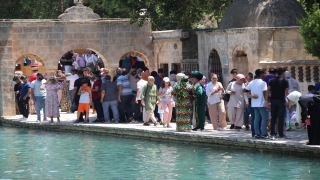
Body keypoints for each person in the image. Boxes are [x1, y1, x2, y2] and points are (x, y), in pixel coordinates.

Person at [266, 68, 290, 139]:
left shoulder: (271, 80)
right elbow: (287, 92)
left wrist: (266, 101)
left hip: (273, 100)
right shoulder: (285, 81)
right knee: (281, 118)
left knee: (273, 117)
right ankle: (280, 133)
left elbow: (267, 91)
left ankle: (272, 133)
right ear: (283, 73)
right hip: (281, 101)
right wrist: (289, 102)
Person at [245, 69, 268, 138]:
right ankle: (264, 133)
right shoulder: (263, 83)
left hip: (254, 104)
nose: (265, 75)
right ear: (261, 74)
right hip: (261, 103)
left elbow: (244, 89)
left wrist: (251, 95)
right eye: (264, 73)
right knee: (264, 118)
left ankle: (257, 133)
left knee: (256, 118)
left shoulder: (252, 82)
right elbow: (265, 92)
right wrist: (266, 101)